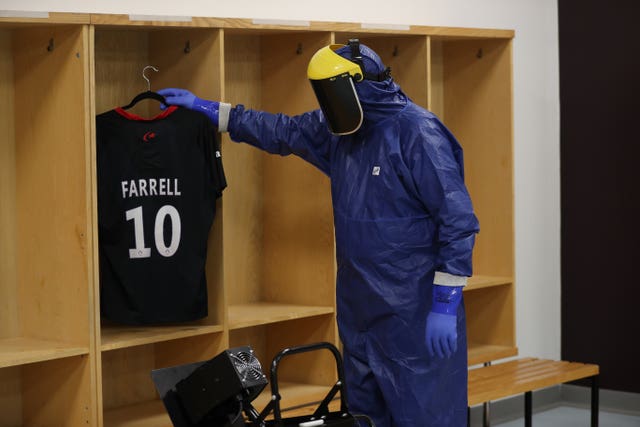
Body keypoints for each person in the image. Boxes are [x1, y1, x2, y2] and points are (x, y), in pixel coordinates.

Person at [158, 39, 480, 427]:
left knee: (426, 418)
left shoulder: (418, 134)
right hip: (360, 314)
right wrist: (213, 111)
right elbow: (281, 130)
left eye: (331, 92)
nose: (326, 104)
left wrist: (445, 302)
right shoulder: (340, 132)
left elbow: (457, 219)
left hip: (414, 315)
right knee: (364, 418)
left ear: (356, 85)